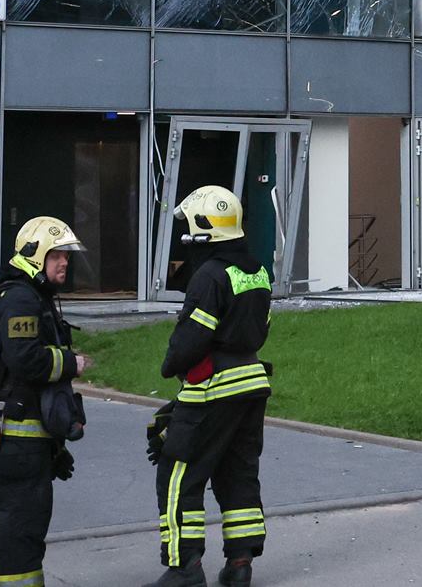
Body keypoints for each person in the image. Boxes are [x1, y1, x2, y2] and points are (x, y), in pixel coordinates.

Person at [151, 186, 274, 587]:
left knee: (178, 473)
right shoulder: (257, 270)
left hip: (212, 387)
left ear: (205, 228)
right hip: (252, 383)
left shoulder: (209, 275)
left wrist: (171, 365)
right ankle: (240, 566)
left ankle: (184, 568)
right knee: (237, 472)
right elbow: (262, 328)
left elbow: (193, 337)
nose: (185, 234)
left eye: (189, 226)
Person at [0, 217, 89, 587]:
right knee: (23, 526)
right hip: (20, 435)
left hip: (14, 435)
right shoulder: (22, 299)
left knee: (0, 518)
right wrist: (72, 363)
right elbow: (25, 360)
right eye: (57, 255)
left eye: (66, 257)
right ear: (34, 255)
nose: (64, 263)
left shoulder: (27, 295)